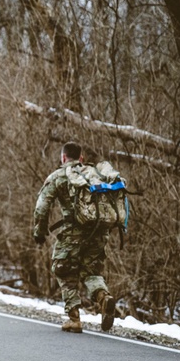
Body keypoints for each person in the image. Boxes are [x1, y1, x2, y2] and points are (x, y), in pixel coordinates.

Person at [33, 142, 117, 333]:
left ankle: (74, 318)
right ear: (81, 158)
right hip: (98, 233)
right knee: (91, 272)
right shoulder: (94, 174)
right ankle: (103, 298)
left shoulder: (58, 176)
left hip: (73, 233)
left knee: (63, 270)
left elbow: (41, 207)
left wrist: (39, 232)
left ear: (63, 158)